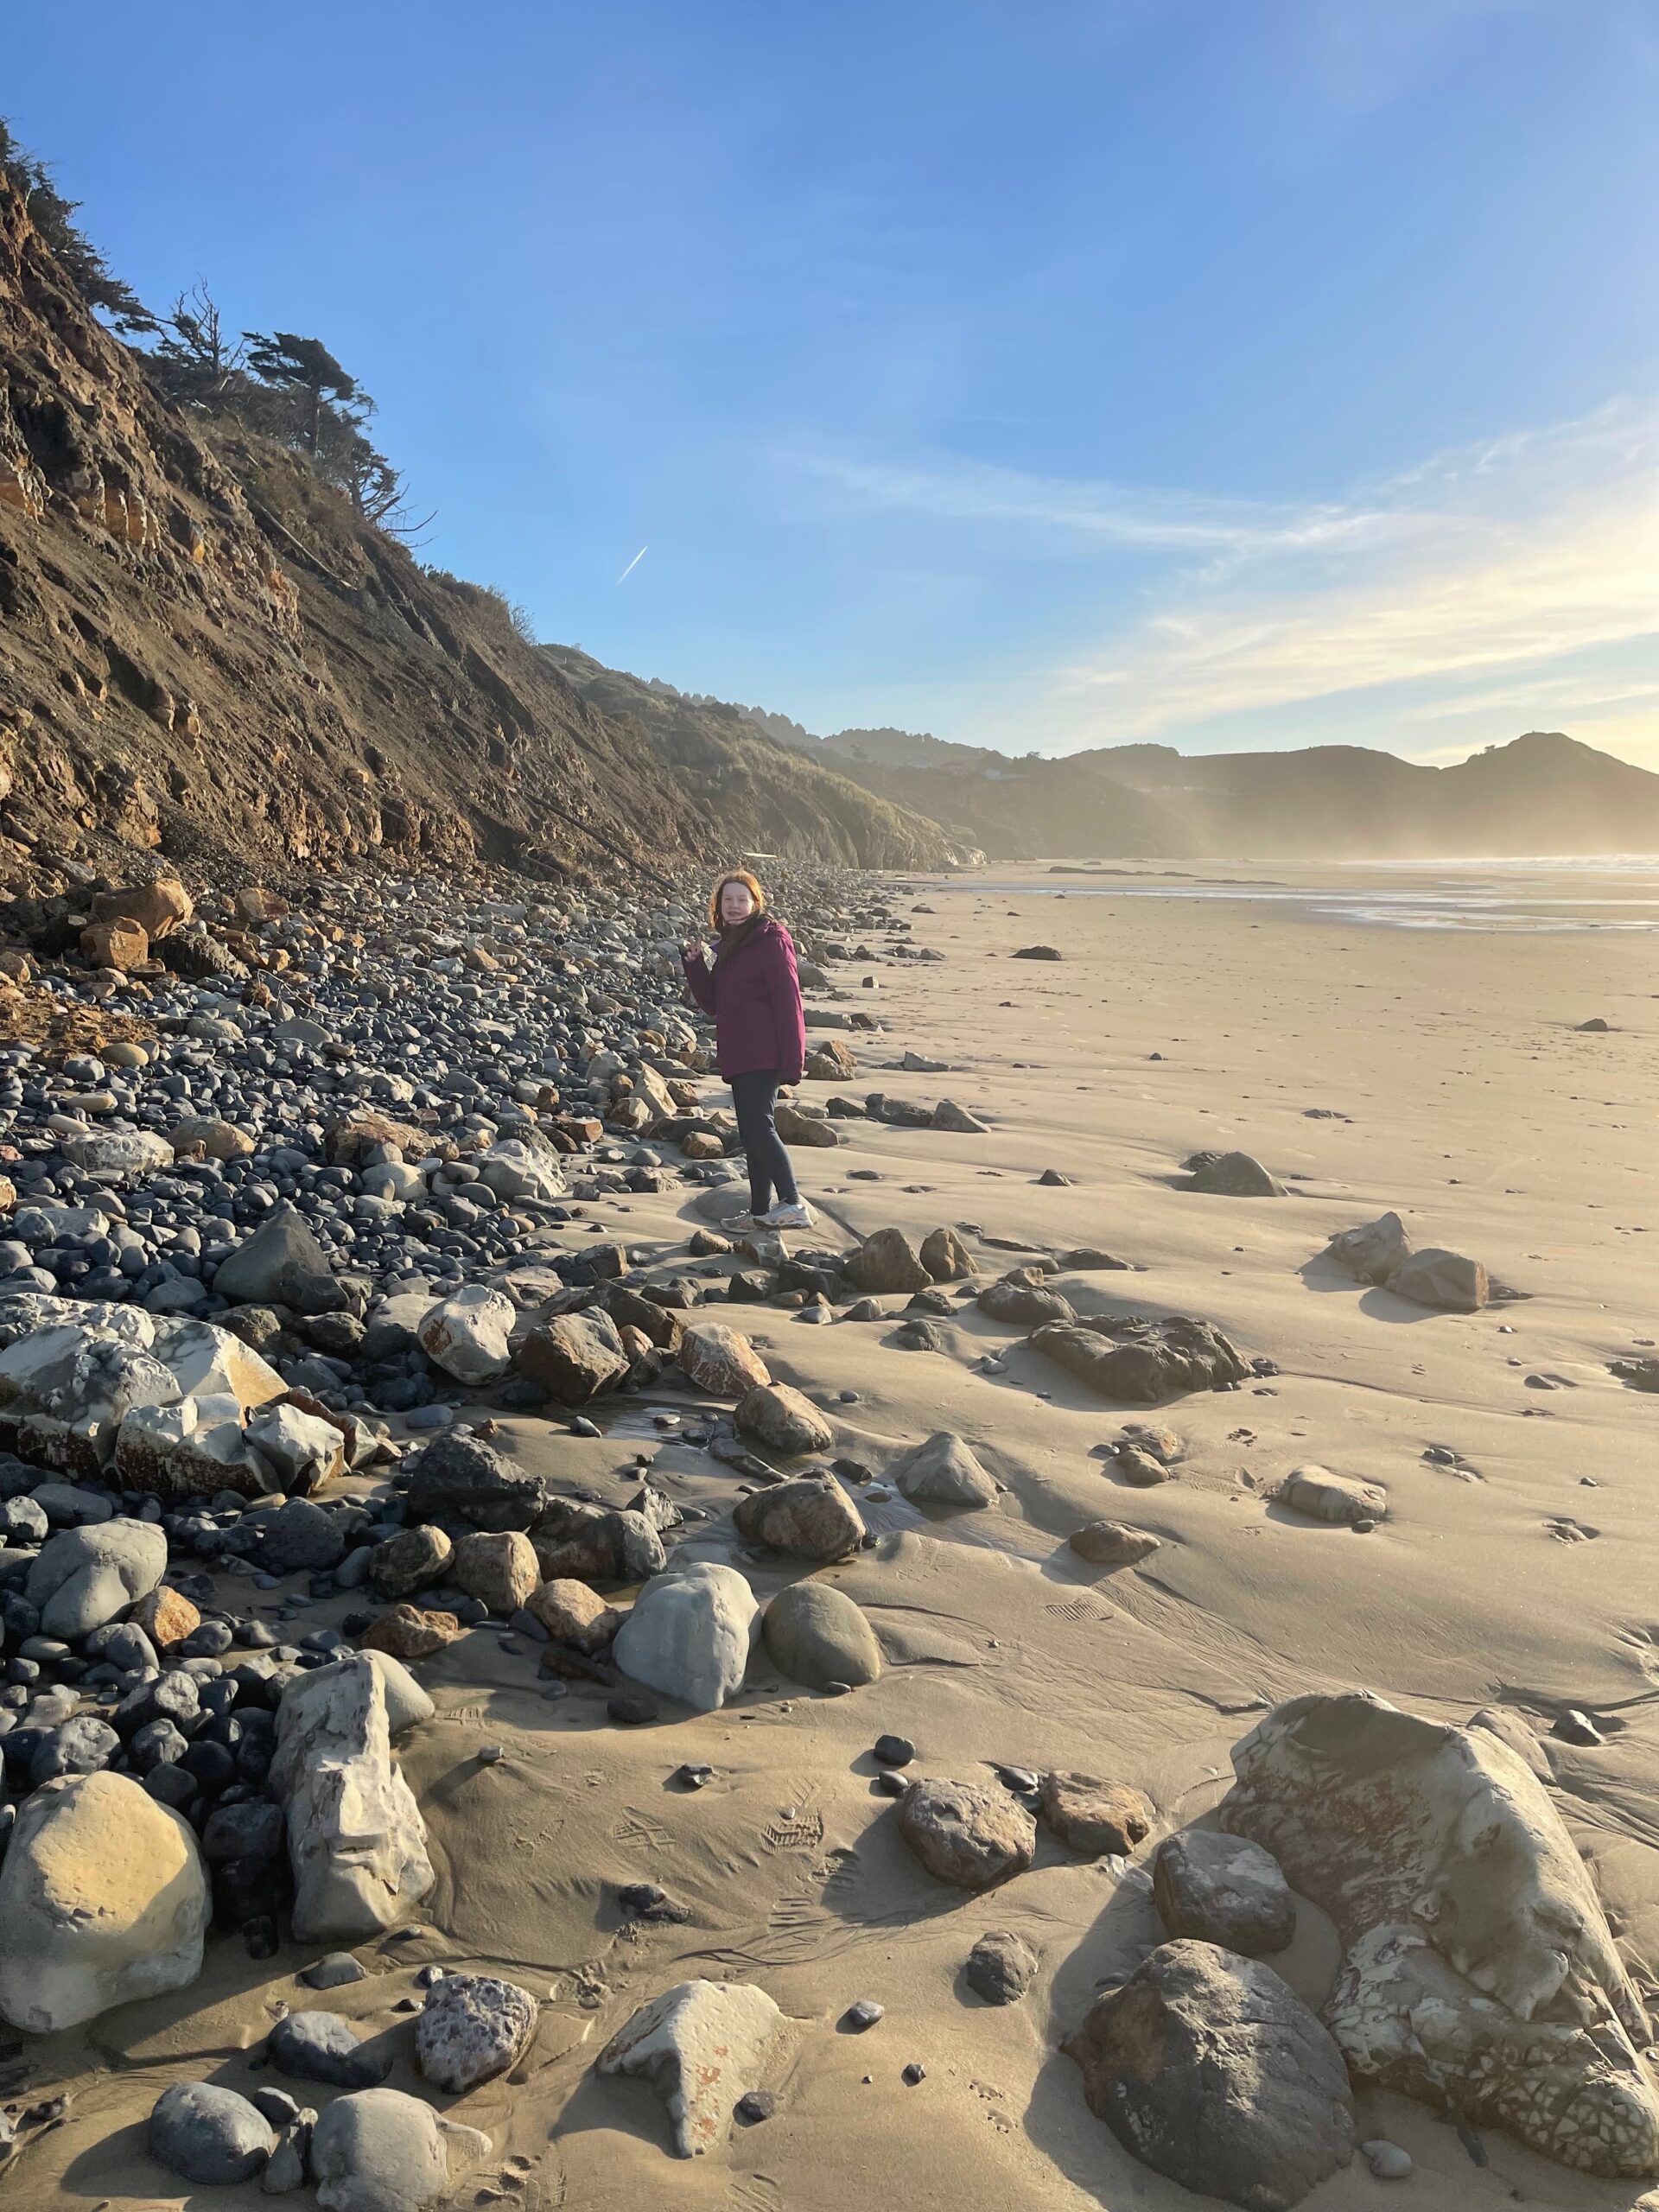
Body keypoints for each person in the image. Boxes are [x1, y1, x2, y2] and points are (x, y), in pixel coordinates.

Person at [682, 868, 812, 1229]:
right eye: (728, 900)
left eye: (742, 900)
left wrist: (793, 1059)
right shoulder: (729, 945)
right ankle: (759, 1213)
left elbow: (790, 1001)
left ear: (756, 903)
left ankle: (792, 1202)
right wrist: (695, 966)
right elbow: (712, 1003)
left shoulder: (771, 940)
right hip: (739, 1053)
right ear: (718, 907)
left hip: (765, 1052)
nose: (735, 906)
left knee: (759, 1129)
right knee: (751, 1133)